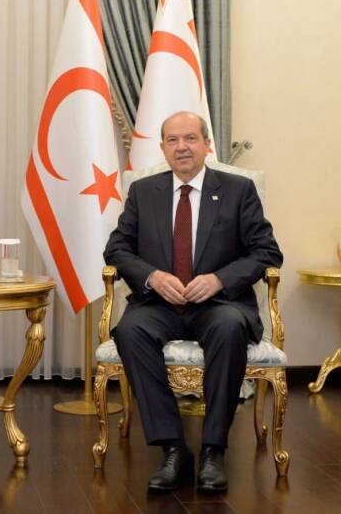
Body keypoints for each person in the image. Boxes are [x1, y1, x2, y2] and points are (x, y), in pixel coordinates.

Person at [103, 111, 282, 493]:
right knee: (130, 331)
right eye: (173, 140)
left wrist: (220, 280)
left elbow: (266, 252)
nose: (182, 147)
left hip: (220, 305)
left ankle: (214, 450)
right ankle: (173, 449)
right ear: (163, 147)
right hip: (158, 304)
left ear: (206, 144)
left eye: (190, 138)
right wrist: (153, 277)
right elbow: (117, 249)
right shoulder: (143, 192)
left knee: (229, 327)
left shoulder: (238, 190)